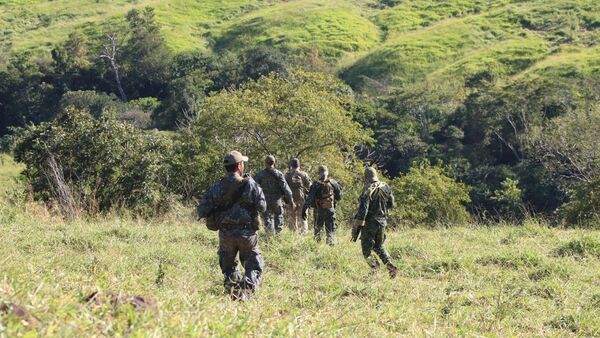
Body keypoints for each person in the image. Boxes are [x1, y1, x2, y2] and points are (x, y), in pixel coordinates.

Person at [196, 151, 267, 301]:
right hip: (247, 233)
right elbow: (263, 206)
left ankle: (234, 293)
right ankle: (246, 293)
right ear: (240, 165)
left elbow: (201, 210)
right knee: (253, 265)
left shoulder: (216, 186)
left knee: (228, 267)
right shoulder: (249, 184)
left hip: (225, 234)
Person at [352, 167, 398, 278]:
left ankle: (374, 268)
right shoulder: (386, 186)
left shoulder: (367, 190)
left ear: (365, 177)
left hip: (369, 223)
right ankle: (390, 264)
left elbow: (363, 211)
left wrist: (356, 227)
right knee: (379, 246)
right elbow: (391, 204)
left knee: (366, 250)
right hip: (382, 221)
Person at [302, 165, 342, 245]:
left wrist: (304, 209)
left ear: (319, 173)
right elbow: (339, 197)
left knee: (318, 231)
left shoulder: (316, 184)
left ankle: (317, 246)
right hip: (331, 211)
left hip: (318, 211)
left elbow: (309, 199)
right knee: (330, 230)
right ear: (327, 172)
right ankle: (331, 246)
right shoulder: (333, 183)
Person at [254, 155, 293, 234]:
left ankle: (269, 235)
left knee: (267, 218)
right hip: (277, 200)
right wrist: (290, 200)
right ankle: (278, 235)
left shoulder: (260, 174)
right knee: (278, 216)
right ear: (274, 163)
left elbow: (254, 186)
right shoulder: (279, 174)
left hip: (265, 200)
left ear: (265, 163)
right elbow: (286, 188)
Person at [285, 158, 311, 233]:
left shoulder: (287, 175)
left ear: (291, 166)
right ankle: (303, 235)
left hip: (291, 200)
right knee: (303, 218)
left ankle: (293, 235)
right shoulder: (304, 174)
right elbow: (309, 187)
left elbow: (284, 187)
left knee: (292, 219)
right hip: (302, 200)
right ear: (299, 165)